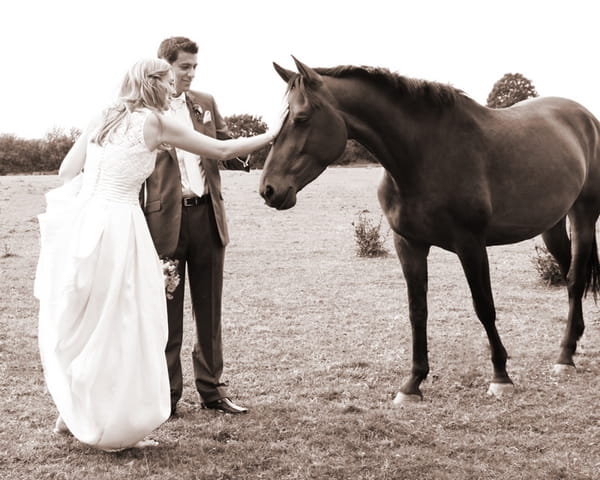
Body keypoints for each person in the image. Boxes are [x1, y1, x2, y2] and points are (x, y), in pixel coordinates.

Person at [34, 57, 278, 451]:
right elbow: (220, 148)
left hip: (88, 224)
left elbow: (67, 170)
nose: (173, 89)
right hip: (121, 226)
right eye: (167, 82)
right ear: (153, 82)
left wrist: (98, 193)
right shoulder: (155, 122)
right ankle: (106, 425)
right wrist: (272, 134)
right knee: (124, 322)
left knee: (91, 317)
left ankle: (71, 410)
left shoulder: (105, 113)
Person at [141, 36, 251, 416]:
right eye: (184, 66)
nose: (190, 73)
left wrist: (247, 155)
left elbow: (224, 145)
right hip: (163, 222)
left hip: (208, 217)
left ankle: (212, 391)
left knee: (209, 309)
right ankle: (166, 398)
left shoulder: (205, 104)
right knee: (166, 316)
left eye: (194, 67)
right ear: (164, 65)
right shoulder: (144, 111)